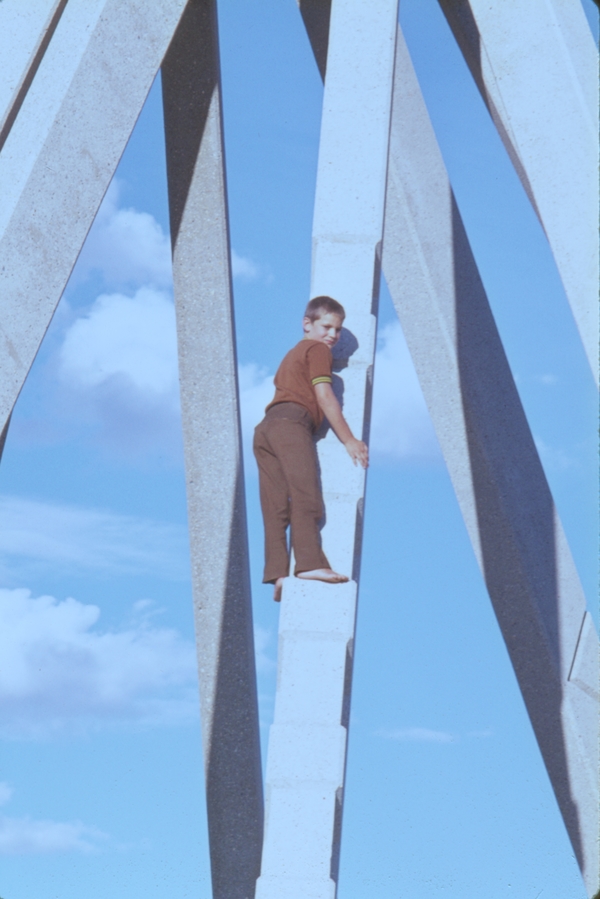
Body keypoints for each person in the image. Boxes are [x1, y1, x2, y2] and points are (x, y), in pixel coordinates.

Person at [253, 295, 369, 602]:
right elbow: (324, 395)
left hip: (265, 429)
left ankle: (278, 573)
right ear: (308, 324)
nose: (332, 335)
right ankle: (308, 564)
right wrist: (349, 440)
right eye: (326, 326)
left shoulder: (293, 353)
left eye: (338, 330)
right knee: (306, 496)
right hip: (291, 424)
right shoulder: (317, 350)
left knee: (275, 505)